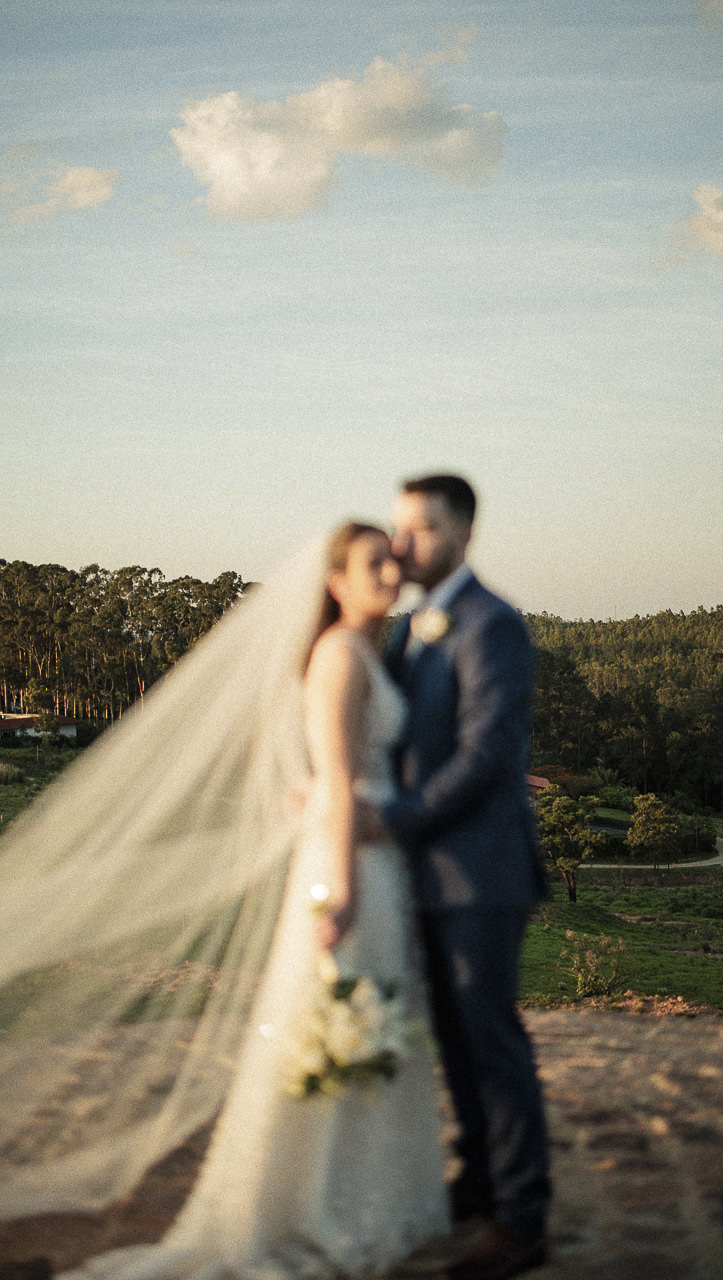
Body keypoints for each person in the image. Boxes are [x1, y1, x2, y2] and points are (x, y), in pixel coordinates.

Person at [0, 522, 448, 1279]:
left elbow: (330, 774)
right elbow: (339, 779)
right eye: (372, 564)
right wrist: (337, 886)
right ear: (334, 581)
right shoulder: (340, 655)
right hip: (351, 865)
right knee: (337, 1014)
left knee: (361, 1017)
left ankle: (353, 1189)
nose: (388, 574)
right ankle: (306, 1200)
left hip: (372, 857)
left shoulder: (372, 651)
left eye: (390, 563)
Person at [378, 475, 551, 1280]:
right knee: (452, 1041)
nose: (400, 542)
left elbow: (487, 759)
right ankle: (479, 1178)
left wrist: (395, 817)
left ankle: (520, 1219)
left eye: (419, 528)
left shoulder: (492, 624)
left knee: (490, 1044)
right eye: (397, 525)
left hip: (481, 873)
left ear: (462, 536)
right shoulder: (410, 626)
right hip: (424, 876)